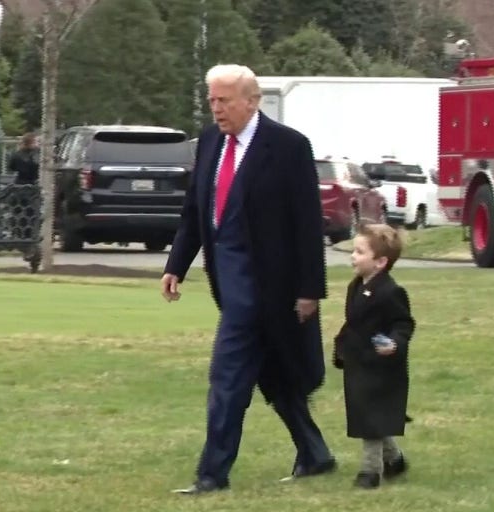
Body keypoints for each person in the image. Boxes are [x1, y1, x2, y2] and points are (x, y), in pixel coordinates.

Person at [161, 64, 335, 495]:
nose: (216, 109)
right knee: (274, 374)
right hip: (230, 284)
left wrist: (310, 289)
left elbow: (307, 223)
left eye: (224, 101)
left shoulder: (288, 147)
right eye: (212, 101)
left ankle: (212, 475)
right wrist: (175, 265)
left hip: (273, 288)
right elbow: (195, 213)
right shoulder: (209, 143)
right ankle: (315, 454)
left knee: (227, 378)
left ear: (252, 101)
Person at [332, 224, 416, 489]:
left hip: (381, 367)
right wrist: (341, 347)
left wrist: (394, 343)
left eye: (359, 252)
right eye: (353, 251)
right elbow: (353, 323)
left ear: (380, 262)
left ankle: (370, 471)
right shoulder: (355, 286)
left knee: (371, 417)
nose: (353, 256)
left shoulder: (391, 292)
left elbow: (403, 324)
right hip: (358, 364)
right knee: (367, 415)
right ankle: (395, 459)